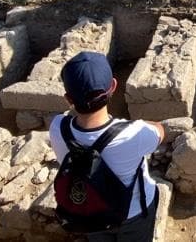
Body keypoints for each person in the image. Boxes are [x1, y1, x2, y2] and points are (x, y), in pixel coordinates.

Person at [49, 51, 165, 242]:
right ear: (113, 86)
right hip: (132, 214)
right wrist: (139, 124)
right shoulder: (134, 134)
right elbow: (160, 131)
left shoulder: (57, 127)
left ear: (68, 98)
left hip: (90, 210)